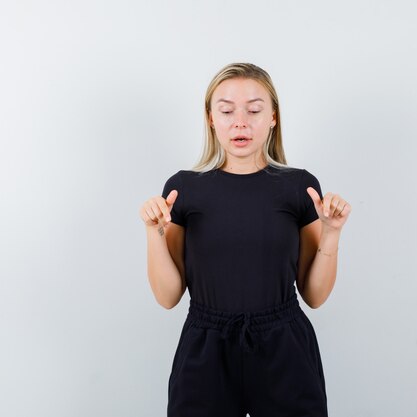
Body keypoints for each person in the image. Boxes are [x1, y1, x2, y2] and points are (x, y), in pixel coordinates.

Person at [139, 62, 351, 417]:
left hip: (283, 347)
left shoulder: (299, 187)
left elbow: (314, 296)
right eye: (226, 110)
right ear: (210, 118)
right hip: (205, 349)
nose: (240, 121)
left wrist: (331, 232)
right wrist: (154, 232)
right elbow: (167, 297)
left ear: (273, 118)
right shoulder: (183, 189)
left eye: (254, 110)